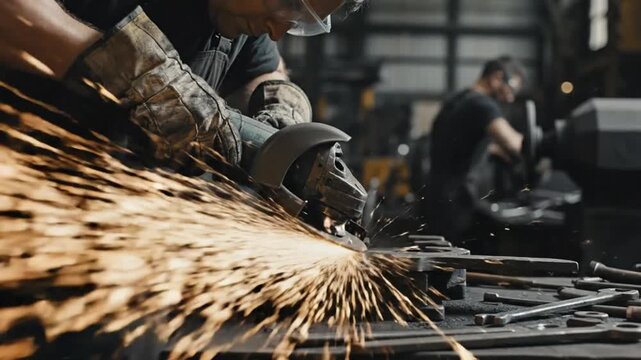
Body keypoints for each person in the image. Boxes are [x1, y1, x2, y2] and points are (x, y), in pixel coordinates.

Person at [0, 0, 364, 169]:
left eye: (301, 19)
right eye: (288, 4)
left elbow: (264, 70)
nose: (280, 29)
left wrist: (281, 114)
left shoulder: (242, 16)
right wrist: (138, 74)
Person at [422, 56, 525, 245]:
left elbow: (460, 143)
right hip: (456, 203)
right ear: (496, 78)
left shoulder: (457, 100)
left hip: (437, 196)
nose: (509, 98)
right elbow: (514, 144)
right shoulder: (482, 105)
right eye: (510, 89)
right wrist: (547, 144)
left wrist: (492, 150)